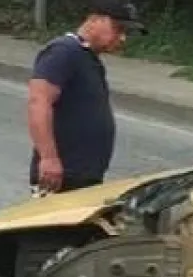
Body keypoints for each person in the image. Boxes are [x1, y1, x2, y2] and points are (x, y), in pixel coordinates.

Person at [27, 1, 147, 196]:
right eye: (117, 29)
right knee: (54, 226)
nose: (122, 38)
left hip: (83, 176)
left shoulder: (87, 57)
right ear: (94, 20)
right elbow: (39, 102)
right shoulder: (63, 52)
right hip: (61, 175)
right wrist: (48, 158)